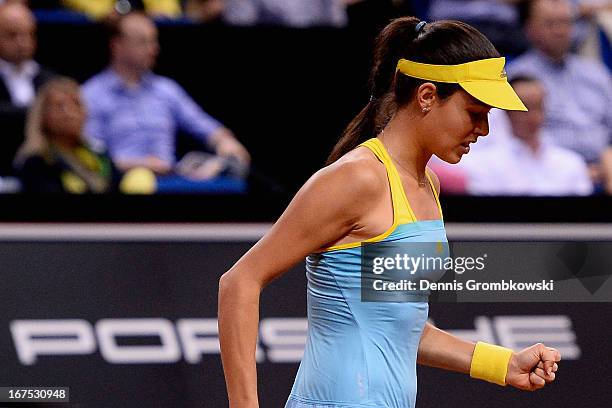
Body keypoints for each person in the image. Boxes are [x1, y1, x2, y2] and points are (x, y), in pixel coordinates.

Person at [219, 17, 561, 408]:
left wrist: (503, 363)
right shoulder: (357, 179)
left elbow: (400, 327)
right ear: (428, 96)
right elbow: (239, 283)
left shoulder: (426, 184)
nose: (484, 130)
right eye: (475, 112)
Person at [82, 12, 250, 176]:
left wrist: (224, 140)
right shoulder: (91, 95)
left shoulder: (166, 89)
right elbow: (91, 157)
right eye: (143, 42)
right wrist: (142, 165)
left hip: (170, 184)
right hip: (120, 184)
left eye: (154, 41)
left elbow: (202, 124)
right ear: (117, 46)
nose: (154, 49)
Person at [509, 0, 612, 189]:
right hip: (546, 174)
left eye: (566, 23)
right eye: (551, 23)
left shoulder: (596, 74)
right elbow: (518, 136)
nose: (560, 30)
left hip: (605, 169)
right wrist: (575, 170)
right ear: (530, 29)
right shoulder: (517, 78)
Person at [461, 76, 593, 195]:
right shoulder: (482, 164)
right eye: (525, 109)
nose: (534, 118)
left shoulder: (572, 163)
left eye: (539, 107)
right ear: (506, 111)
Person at [14, 77, 123, 193]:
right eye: (59, 106)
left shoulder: (97, 152)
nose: (69, 113)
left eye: (76, 104)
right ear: (43, 116)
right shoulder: (36, 162)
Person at [0, 2, 55, 175]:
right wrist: (40, 113)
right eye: (12, 35)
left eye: (29, 34)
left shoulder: (50, 80)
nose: (22, 42)